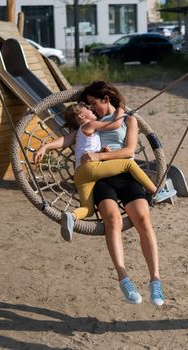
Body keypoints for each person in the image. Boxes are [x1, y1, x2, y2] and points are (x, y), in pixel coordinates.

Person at [34, 100, 175, 242]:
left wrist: (45, 147)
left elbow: (64, 140)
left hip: (80, 175)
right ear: (82, 115)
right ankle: (156, 192)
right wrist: (120, 110)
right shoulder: (89, 125)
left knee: (87, 209)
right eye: (89, 109)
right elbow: (115, 124)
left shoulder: (79, 133)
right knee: (128, 164)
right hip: (89, 168)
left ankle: (71, 216)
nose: (93, 111)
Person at [78, 80, 167, 306]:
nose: (92, 108)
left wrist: (101, 156)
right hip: (101, 178)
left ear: (106, 99)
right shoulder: (92, 122)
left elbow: (128, 150)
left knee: (143, 219)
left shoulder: (129, 119)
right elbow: (77, 141)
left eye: (93, 103)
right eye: (89, 104)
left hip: (126, 174)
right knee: (112, 220)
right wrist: (45, 147)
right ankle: (123, 276)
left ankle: (155, 279)